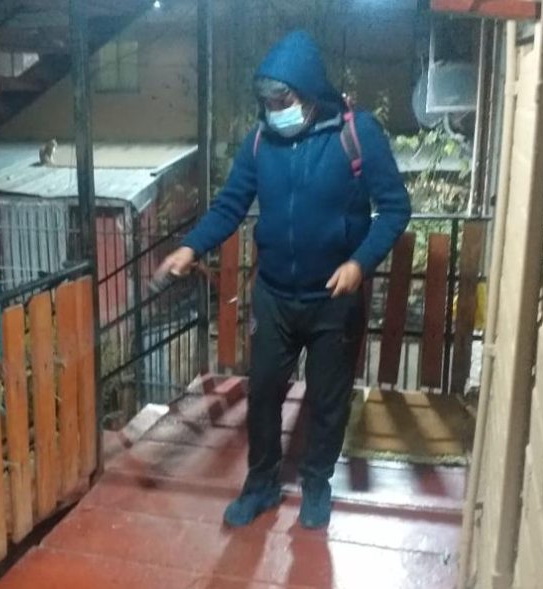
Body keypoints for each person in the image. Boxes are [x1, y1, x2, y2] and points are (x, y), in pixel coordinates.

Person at [156, 31, 411, 529]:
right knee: (264, 393)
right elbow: (231, 204)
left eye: (283, 101)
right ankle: (261, 485)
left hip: (333, 297)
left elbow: (395, 208)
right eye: (268, 102)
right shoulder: (259, 142)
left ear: (310, 92)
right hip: (274, 294)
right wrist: (191, 247)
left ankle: (316, 482)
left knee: (328, 398)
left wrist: (359, 262)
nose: (275, 111)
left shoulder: (357, 134)